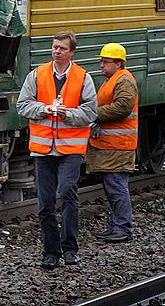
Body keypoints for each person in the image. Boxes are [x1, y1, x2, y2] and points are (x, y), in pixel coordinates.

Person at [17, 30, 97, 270]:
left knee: (68, 192)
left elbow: (91, 112)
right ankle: (51, 252)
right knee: (45, 204)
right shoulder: (37, 75)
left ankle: (70, 249)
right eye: (54, 47)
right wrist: (44, 109)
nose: (56, 51)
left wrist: (67, 113)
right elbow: (22, 105)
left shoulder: (83, 78)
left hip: (70, 149)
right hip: (43, 151)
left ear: (71, 52)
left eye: (62, 48)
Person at [86, 43, 138, 243]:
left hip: (119, 145)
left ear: (118, 63)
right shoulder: (113, 79)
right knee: (113, 188)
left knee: (116, 187)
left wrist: (94, 114)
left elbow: (123, 107)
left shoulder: (123, 81)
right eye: (101, 61)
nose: (101, 65)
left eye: (105, 62)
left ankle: (123, 228)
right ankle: (117, 226)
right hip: (112, 145)